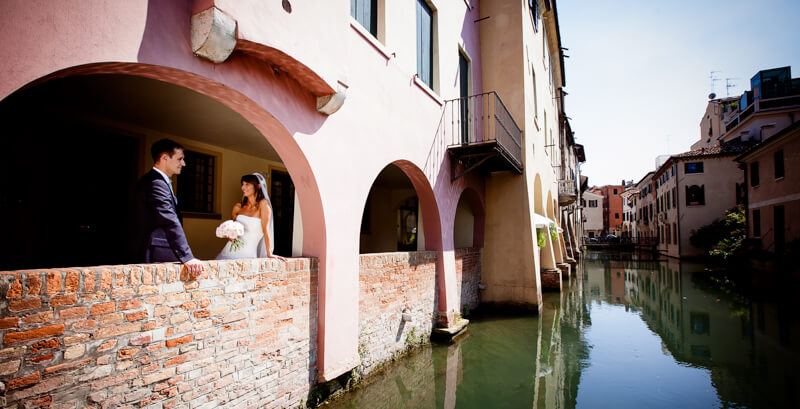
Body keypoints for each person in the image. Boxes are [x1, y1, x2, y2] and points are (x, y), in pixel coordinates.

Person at [133, 139, 205, 276]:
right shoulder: (156, 183)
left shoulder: (159, 181)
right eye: (180, 159)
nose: (183, 164)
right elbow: (169, 219)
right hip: (154, 253)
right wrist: (187, 257)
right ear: (165, 158)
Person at [216, 173, 285, 260]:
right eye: (242, 184)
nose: (243, 188)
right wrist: (229, 234)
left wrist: (269, 253)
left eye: (247, 184)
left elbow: (266, 230)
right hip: (229, 252)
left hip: (248, 255)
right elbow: (232, 230)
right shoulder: (237, 207)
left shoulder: (263, 204)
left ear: (258, 186)